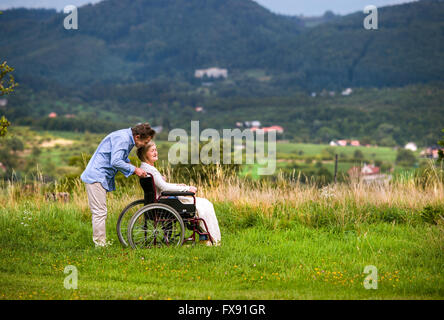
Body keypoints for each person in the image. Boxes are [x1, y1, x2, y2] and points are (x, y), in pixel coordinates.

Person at [81, 123, 156, 247]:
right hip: (96, 176)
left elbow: (121, 157)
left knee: (100, 211)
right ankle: (100, 245)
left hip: (99, 176)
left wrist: (132, 167)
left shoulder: (126, 137)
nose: (144, 145)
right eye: (145, 141)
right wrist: (135, 170)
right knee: (99, 212)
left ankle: (101, 242)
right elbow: (115, 161)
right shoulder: (123, 139)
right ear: (137, 137)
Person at [137, 141, 221, 246]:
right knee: (205, 204)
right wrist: (186, 189)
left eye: (156, 150)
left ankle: (205, 237)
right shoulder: (151, 170)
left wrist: (178, 185)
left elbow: (162, 185)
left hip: (159, 200)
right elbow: (164, 187)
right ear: (145, 154)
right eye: (152, 151)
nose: (156, 152)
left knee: (204, 203)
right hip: (164, 201)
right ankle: (210, 238)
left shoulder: (145, 168)